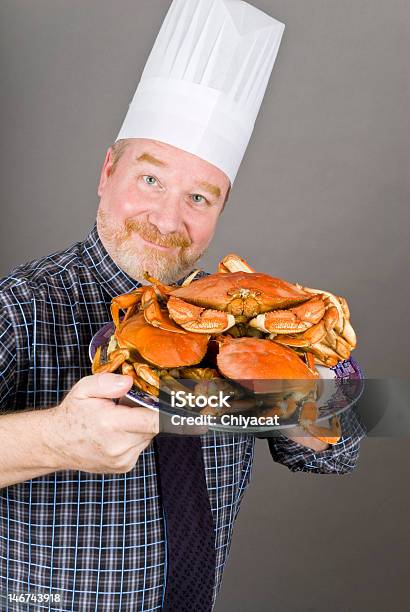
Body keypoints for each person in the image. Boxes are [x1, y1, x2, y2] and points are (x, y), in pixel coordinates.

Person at [0, 1, 365, 610]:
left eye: (199, 195)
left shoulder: (258, 316)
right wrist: (55, 439)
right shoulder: (22, 306)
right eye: (150, 180)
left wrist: (309, 398)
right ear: (107, 171)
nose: (168, 219)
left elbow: (344, 448)